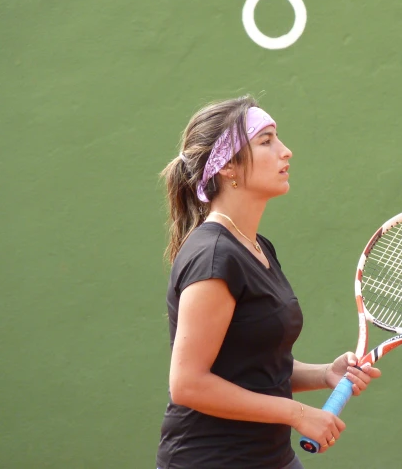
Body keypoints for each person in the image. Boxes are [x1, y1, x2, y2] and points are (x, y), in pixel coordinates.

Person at [156, 95, 381, 469]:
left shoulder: (256, 247)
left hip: (272, 459)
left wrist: (325, 374)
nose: (285, 151)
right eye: (267, 141)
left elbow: (252, 366)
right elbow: (188, 383)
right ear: (228, 165)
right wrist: (296, 413)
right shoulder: (214, 257)